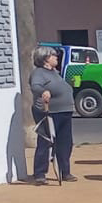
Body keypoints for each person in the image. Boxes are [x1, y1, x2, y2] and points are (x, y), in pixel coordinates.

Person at [29, 45, 75, 183]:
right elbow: (35, 86)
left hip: (64, 111)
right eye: (54, 55)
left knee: (65, 143)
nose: (56, 57)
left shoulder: (55, 72)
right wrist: (43, 91)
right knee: (45, 141)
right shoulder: (39, 73)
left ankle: (64, 171)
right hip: (50, 112)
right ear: (45, 59)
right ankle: (40, 173)